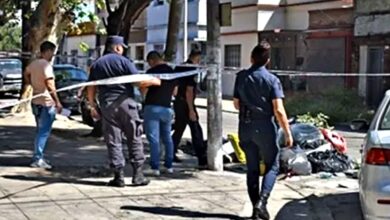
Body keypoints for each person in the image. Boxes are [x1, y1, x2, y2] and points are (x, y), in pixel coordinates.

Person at [87, 36, 160, 187]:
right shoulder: (124, 61)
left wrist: (92, 105)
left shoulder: (96, 64)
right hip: (126, 103)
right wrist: (154, 81)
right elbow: (137, 81)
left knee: (113, 140)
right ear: (117, 47)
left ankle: (118, 177)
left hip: (107, 105)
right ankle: (137, 175)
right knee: (134, 136)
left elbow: (91, 86)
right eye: (122, 47)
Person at [233, 42, 293, 220]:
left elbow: (236, 104)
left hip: (245, 126)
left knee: (252, 169)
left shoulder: (241, 77)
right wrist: (288, 133)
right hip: (265, 126)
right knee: (272, 165)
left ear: (252, 58)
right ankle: (262, 202)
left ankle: (255, 210)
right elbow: (279, 110)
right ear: (267, 60)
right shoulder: (272, 80)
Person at [24, 41, 62, 170]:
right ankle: (37, 158)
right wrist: (57, 101)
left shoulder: (34, 64)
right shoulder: (47, 66)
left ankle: (39, 156)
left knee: (39, 130)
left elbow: (26, 72)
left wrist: (32, 84)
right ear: (48, 51)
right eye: (53, 53)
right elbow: (50, 85)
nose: (53, 55)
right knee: (43, 132)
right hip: (46, 102)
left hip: (36, 101)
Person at [142, 51, 177, 176]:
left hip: (152, 107)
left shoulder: (152, 72)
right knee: (167, 138)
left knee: (153, 139)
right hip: (167, 108)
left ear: (151, 61)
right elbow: (175, 92)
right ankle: (169, 165)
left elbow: (144, 90)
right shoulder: (172, 72)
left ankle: (155, 167)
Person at [171, 49, 207, 168]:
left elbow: (175, 89)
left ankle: (170, 153)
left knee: (179, 128)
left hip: (178, 102)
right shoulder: (191, 69)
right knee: (196, 129)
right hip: (186, 103)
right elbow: (189, 91)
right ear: (197, 58)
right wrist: (191, 110)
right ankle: (202, 158)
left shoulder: (180, 67)